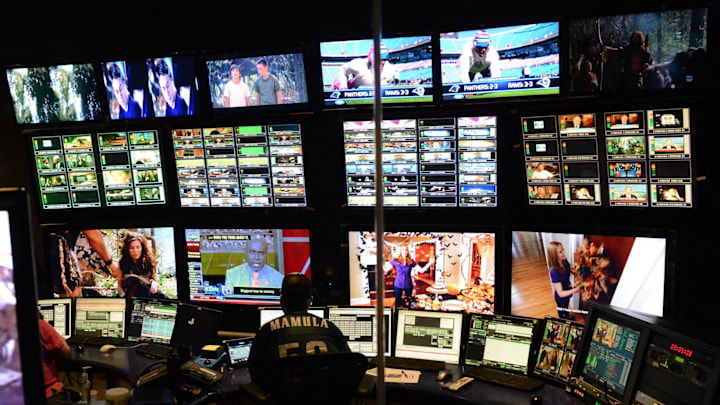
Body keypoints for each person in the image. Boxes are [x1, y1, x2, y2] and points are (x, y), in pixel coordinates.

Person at [248, 273, 350, 392]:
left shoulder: (267, 331)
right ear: (310, 300)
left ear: (281, 300)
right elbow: (348, 367)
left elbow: (255, 373)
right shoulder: (330, 328)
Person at [38, 310, 76, 400]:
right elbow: (64, 353)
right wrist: (61, 339)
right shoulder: (39, 325)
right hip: (48, 395)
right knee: (79, 397)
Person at [383, 245, 434, 309]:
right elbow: (386, 269)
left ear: (408, 251)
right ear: (400, 251)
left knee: (409, 303)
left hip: (408, 285)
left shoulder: (411, 261)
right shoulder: (395, 261)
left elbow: (421, 270)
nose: (404, 251)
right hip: (398, 284)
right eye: (403, 250)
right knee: (397, 303)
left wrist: (429, 263)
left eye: (406, 250)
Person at [331, 42, 398, 90]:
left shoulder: (389, 69)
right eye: (380, 59)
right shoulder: (359, 65)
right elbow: (343, 69)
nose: (383, 62)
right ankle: (336, 83)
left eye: (384, 59)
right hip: (354, 85)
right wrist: (343, 86)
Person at [115, 232, 162, 298]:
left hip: (148, 295)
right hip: (130, 295)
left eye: (138, 247)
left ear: (142, 248)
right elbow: (119, 286)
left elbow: (156, 281)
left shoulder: (149, 261)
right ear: (127, 249)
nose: (135, 251)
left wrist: (155, 284)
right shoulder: (122, 263)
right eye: (132, 248)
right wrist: (124, 296)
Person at [546, 241, 580, 320]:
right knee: (561, 309)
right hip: (561, 297)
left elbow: (571, 271)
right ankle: (562, 319)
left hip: (567, 290)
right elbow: (561, 293)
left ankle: (567, 315)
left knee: (566, 306)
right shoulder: (553, 271)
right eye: (560, 252)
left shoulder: (564, 261)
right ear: (554, 255)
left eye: (563, 250)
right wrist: (576, 289)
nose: (564, 253)